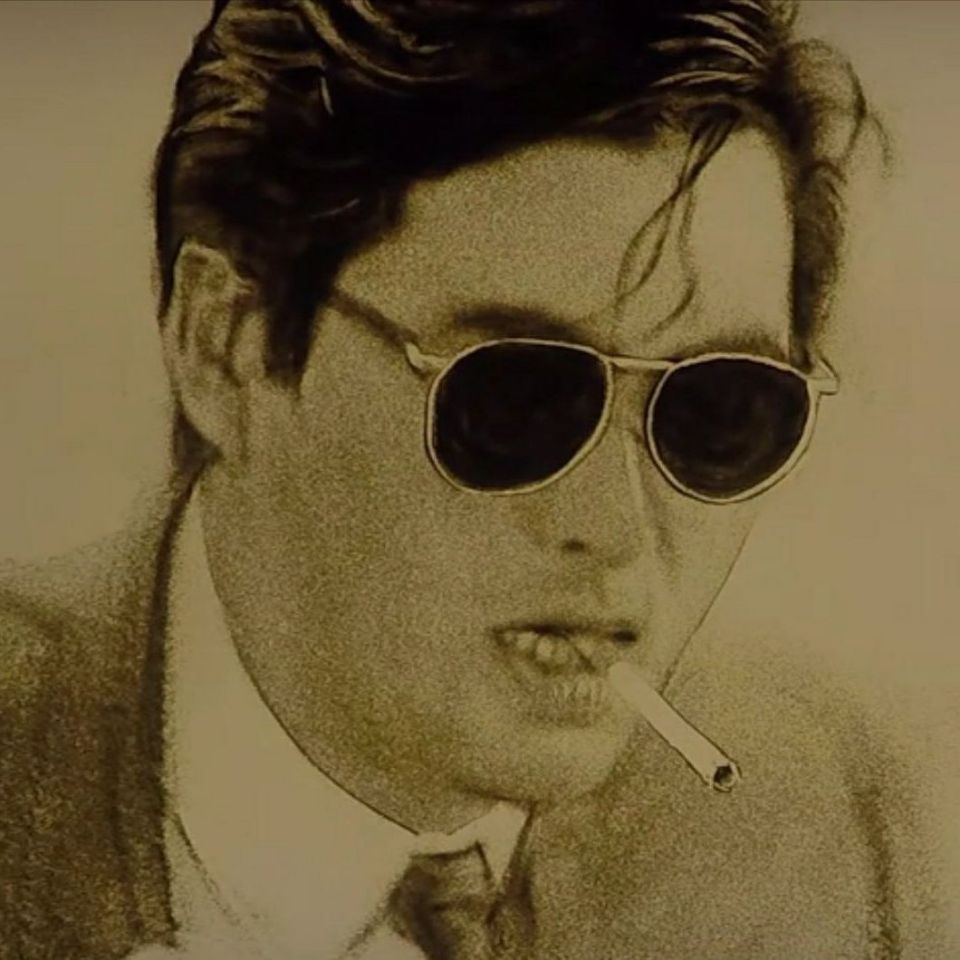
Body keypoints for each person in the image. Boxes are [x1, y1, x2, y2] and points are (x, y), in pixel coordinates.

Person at [0, 1, 950, 958]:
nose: (614, 526)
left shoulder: (830, 828)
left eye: (718, 411)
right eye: (515, 398)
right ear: (228, 348)